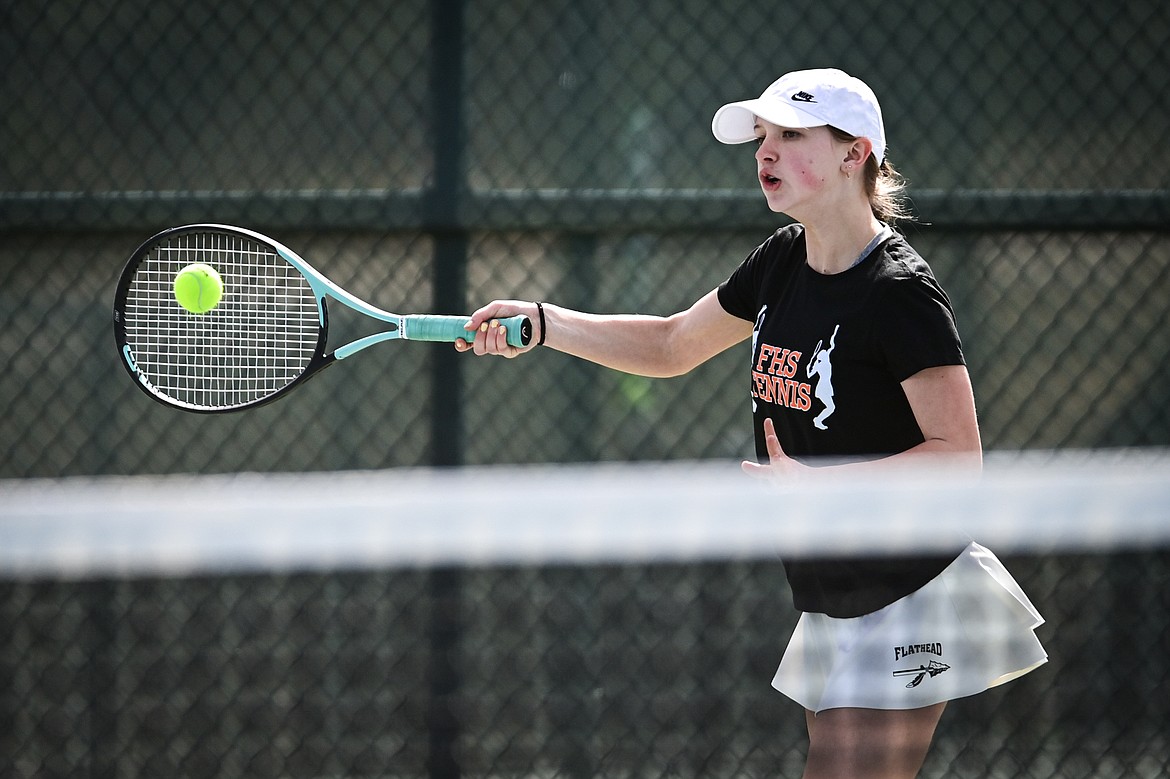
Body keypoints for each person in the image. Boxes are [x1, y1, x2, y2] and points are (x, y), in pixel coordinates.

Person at [455, 68, 1047, 779]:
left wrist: (828, 486)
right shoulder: (781, 263)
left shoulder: (900, 293)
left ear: (853, 152)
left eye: (791, 135)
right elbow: (674, 344)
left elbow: (960, 457)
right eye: (763, 137)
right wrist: (546, 322)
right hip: (834, 590)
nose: (764, 152)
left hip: (916, 590)